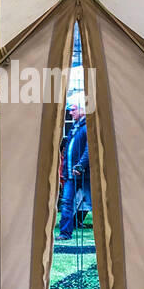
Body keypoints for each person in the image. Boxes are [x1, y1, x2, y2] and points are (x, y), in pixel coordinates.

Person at [57, 102, 91, 238]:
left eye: (73, 110)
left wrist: (80, 166)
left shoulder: (86, 127)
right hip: (71, 174)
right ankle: (65, 233)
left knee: (93, 203)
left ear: (82, 110)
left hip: (84, 174)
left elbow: (89, 150)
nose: (70, 113)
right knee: (66, 202)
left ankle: (104, 234)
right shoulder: (75, 128)